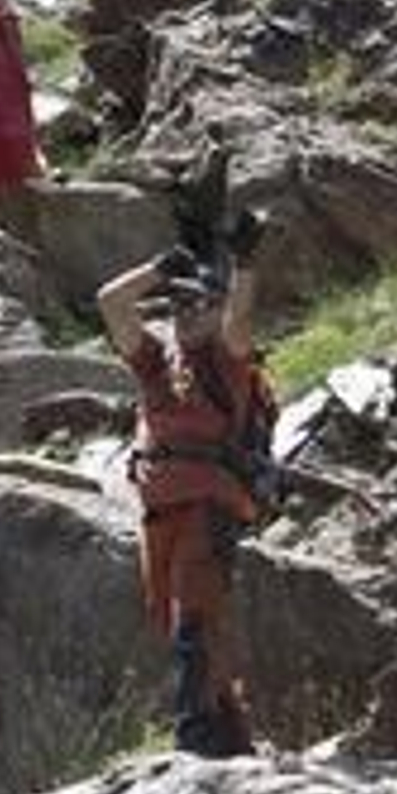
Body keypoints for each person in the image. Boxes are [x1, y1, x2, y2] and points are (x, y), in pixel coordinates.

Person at [97, 210, 276, 757]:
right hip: (159, 509)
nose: (181, 314)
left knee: (194, 620)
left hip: (207, 501)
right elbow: (110, 303)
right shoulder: (156, 365)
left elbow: (242, 321)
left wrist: (244, 263)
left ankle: (198, 739)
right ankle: (231, 736)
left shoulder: (226, 362)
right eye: (174, 306)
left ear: (217, 307)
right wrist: (157, 269)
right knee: (173, 619)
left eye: (195, 303)